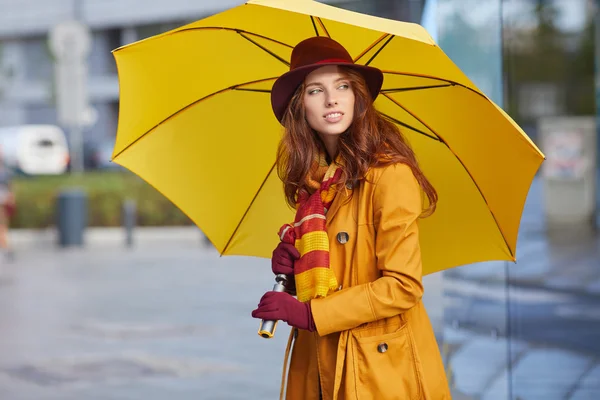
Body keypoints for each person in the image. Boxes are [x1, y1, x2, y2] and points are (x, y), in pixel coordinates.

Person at [251, 37, 451, 400]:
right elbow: (336, 273)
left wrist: (310, 315)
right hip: (320, 361)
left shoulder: (389, 174)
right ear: (300, 107)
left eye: (342, 86)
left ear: (358, 97)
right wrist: (294, 274)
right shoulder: (314, 187)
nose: (332, 99)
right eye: (316, 90)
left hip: (379, 369)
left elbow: (403, 287)